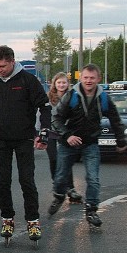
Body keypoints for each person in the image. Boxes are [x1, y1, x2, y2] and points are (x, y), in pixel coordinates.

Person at [0, 45, 50, 243]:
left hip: (24, 137)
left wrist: (44, 131)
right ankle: (7, 218)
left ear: (12, 61)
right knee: (3, 181)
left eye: (3, 66)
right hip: (0, 138)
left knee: (27, 180)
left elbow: (44, 107)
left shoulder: (27, 80)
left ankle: (33, 220)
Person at [49, 64, 126, 226]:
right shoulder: (71, 96)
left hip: (90, 142)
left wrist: (121, 141)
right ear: (80, 78)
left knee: (93, 178)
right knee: (61, 175)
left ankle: (91, 210)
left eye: (92, 78)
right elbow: (56, 119)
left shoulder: (103, 98)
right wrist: (68, 135)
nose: (89, 81)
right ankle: (58, 196)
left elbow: (116, 120)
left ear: (98, 79)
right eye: (85, 78)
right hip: (68, 142)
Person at [46, 72, 82, 204]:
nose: (61, 85)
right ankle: (58, 186)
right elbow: (41, 115)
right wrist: (38, 133)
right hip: (50, 133)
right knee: (54, 159)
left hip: (66, 134)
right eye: (59, 82)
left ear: (68, 84)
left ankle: (71, 189)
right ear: (54, 84)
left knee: (66, 160)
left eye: (64, 82)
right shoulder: (48, 98)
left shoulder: (73, 97)